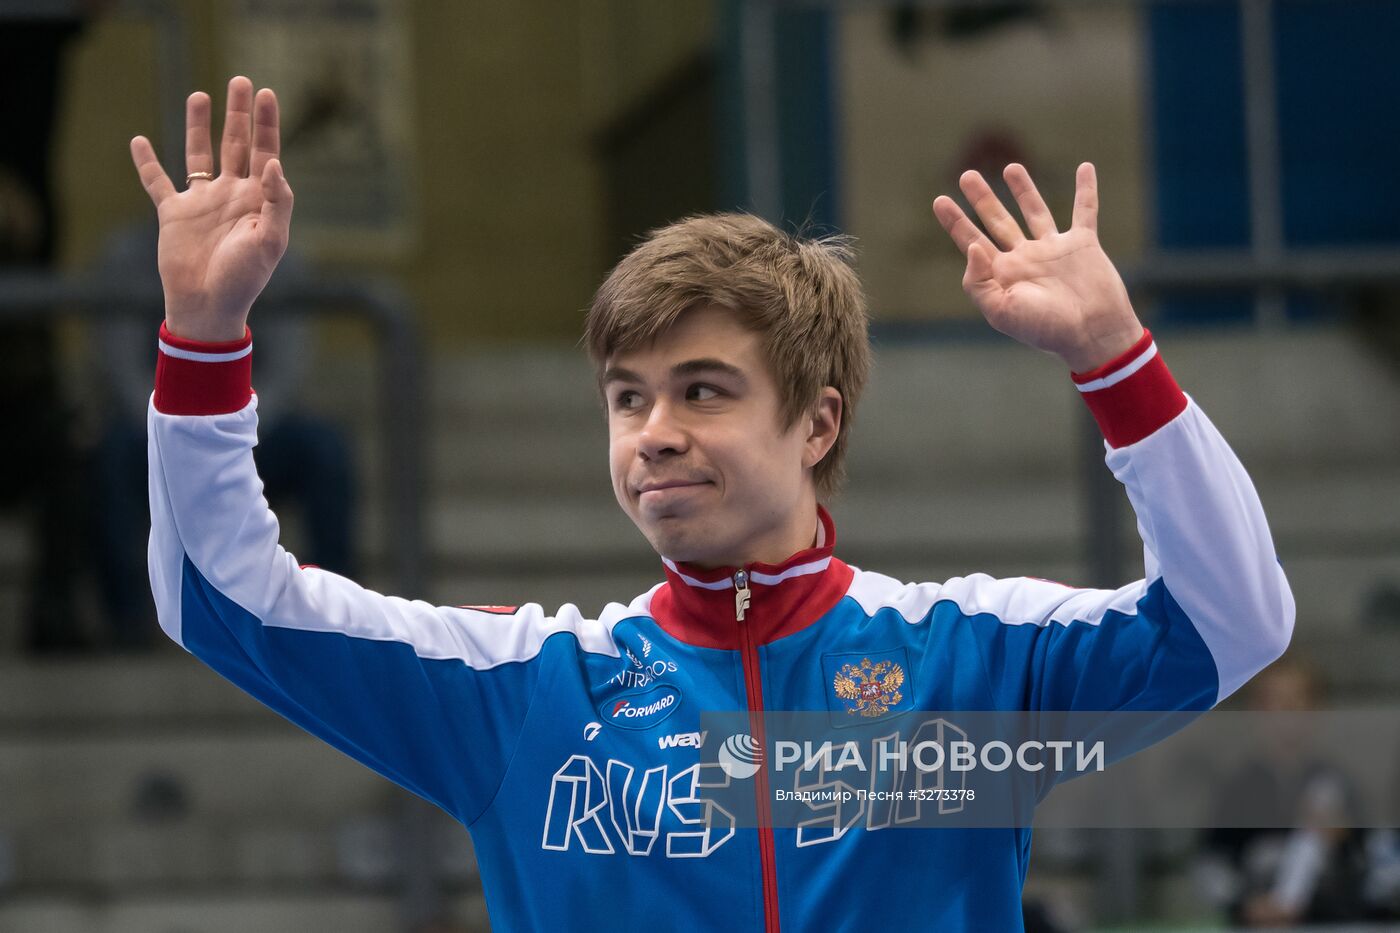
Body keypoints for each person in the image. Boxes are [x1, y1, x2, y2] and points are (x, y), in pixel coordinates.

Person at [129, 76, 1295, 930]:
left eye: (702, 391)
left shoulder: (969, 668)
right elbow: (220, 601)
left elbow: (1229, 622)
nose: (654, 433)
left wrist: (1114, 359)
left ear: (817, 422)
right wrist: (202, 334)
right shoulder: (525, 695)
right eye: (626, 398)